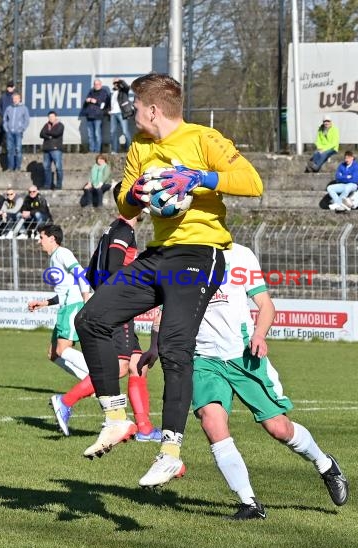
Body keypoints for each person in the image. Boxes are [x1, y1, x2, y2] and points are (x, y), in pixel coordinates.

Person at [74, 72, 263, 488]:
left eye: (136, 107)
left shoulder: (204, 139)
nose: (132, 114)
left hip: (200, 253)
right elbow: (124, 201)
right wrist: (137, 192)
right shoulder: (140, 146)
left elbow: (253, 182)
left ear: (153, 109)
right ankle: (116, 417)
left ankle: (170, 452)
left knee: (176, 347)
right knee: (90, 319)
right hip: (158, 254)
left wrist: (199, 180)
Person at [140, 243, 349, 517]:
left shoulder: (240, 255)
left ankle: (325, 465)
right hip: (203, 359)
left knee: (278, 428)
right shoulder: (182, 255)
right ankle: (249, 503)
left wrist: (259, 335)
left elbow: (266, 305)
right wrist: (155, 346)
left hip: (242, 354)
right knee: (211, 421)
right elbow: (166, 307)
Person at [50, 194, 161, 442]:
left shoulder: (112, 229)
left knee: (137, 365)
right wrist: (139, 278)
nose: (147, 204)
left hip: (112, 303)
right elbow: (113, 268)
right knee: (121, 366)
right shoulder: (123, 230)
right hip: (117, 305)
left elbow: (91, 271)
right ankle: (65, 401)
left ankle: (144, 428)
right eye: (144, 199)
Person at [28, 224, 92, 427]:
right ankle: (89, 382)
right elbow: (66, 287)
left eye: (41, 237)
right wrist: (45, 303)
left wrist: (85, 300)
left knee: (63, 351)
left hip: (73, 306)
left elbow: (80, 273)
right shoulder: (54, 257)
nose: (39, 241)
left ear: (52, 238)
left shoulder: (62, 253)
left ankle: (97, 378)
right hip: (65, 306)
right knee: (53, 354)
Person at [3, 93, 30, 172]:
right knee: (9, 149)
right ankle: (10, 167)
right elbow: (5, 119)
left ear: (20, 99)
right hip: (9, 132)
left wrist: (22, 129)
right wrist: (6, 128)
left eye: (16, 98)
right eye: (14, 98)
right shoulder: (9, 108)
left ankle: (18, 167)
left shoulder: (24, 108)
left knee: (18, 149)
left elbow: (27, 120)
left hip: (18, 132)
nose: (15, 100)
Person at [81, 79, 109, 153]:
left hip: (98, 116)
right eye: (95, 84)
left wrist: (96, 101)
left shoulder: (104, 92)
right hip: (89, 116)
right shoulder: (91, 92)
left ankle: (97, 150)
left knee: (97, 134)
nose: (96, 86)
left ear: (100, 85)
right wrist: (87, 100)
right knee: (90, 135)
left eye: (97, 84)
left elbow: (105, 104)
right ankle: (91, 150)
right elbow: (86, 103)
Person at [40, 110, 64, 190]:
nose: (51, 118)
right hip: (46, 149)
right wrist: (49, 135)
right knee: (46, 168)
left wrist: (47, 133)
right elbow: (41, 134)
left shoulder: (60, 125)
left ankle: (59, 185)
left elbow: (57, 133)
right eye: (49, 117)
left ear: (55, 117)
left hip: (56, 149)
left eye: (52, 117)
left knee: (58, 168)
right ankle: (47, 185)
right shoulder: (46, 125)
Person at [109, 78, 133, 153]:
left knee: (125, 131)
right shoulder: (112, 92)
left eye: (117, 83)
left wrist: (120, 80)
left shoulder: (123, 90)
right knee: (113, 132)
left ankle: (130, 150)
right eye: (114, 83)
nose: (116, 84)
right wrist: (108, 111)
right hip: (113, 114)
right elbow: (109, 103)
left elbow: (126, 86)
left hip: (121, 113)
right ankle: (114, 150)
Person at [0, 81, 16, 155]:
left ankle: (11, 150)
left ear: (14, 87)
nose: (9, 88)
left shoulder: (16, 97)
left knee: (12, 136)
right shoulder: (3, 97)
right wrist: (2, 114)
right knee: (1, 134)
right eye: (8, 87)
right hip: (4, 119)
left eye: (11, 87)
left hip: (13, 120)